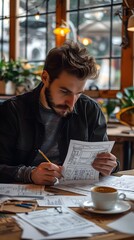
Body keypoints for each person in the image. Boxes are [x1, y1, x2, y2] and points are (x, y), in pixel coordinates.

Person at [0, 40, 119, 185]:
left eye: (79, 93)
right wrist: (29, 174)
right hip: (26, 196)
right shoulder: (12, 111)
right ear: (45, 78)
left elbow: (105, 160)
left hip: (75, 195)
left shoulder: (90, 110)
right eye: (64, 91)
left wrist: (110, 165)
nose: (71, 103)